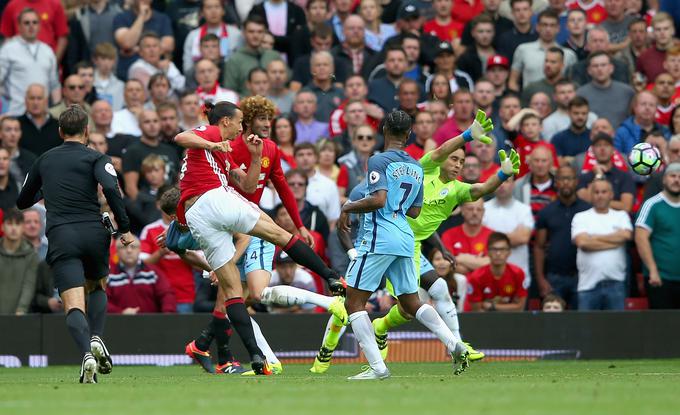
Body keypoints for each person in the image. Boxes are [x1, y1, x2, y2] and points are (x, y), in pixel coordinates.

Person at [173, 101, 347, 374]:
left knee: (232, 293)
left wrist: (255, 157)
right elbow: (180, 137)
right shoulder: (209, 133)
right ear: (226, 121)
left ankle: (254, 356)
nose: (242, 128)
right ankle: (330, 276)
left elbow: (249, 185)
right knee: (278, 234)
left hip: (198, 215)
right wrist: (214, 145)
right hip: (212, 200)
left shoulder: (226, 154)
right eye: (239, 122)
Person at [337, 110, 470, 380]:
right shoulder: (416, 166)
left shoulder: (378, 160)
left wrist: (347, 207)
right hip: (405, 237)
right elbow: (415, 211)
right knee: (411, 301)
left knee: (354, 303)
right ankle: (453, 343)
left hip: (380, 237)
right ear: (409, 134)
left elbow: (378, 200)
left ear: (384, 130)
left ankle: (378, 368)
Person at [16, 105, 134, 383]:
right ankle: (97, 337)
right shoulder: (97, 157)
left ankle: (86, 354)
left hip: (62, 235)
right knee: (97, 285)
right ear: (87, 131)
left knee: (73, 304)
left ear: (60, 132)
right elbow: (112, 191)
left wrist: (49, 188)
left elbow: (22, 201)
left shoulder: (44, 159)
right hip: (94, 233)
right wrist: (125, 228)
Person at [534, 165, 591, 308]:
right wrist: (541, 279)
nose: (566, 182)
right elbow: (539, 247)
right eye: (562, 179)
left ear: (576, 181)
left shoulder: (587, 210)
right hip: (554, 277)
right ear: (556, 182)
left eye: (570, 178)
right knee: (553, 324)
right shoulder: (546, 212)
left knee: (581, 323)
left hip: (582, 277)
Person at [572, 178, 632, 310]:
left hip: (616, 283)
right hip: (588, 286)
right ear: (590, 195)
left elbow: (626, 236)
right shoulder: (580, 217)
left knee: (617, 329)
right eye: (596, 192)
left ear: (611, 194)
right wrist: (615, 241)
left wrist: (594, 237)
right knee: (586, 330)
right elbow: (582, 243)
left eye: (604, 192)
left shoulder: (621, 216)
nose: (600, 195)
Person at [0, 8, 61, 116]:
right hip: (15, 114)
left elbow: (54, 85)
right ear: (18, 26)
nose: (31, 26)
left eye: (35, 22)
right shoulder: (7, 49)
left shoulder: (47, 50)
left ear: (39, 25)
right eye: (26, 23)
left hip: (43, 116)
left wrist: (57, 112)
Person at [635, 163, 680, 309]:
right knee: (663, 328)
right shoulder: (652, 204)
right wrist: (653, 270)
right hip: (660, 279)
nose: (677, 180)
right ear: (664, 179)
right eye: (673, 176)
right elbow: (641, 238)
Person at [482, 178, 534, 286]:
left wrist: (492, 238)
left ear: (513, 184)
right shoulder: (483, 208)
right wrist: (513, 235)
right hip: (488, 276)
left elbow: (523, 238)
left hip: (519, 275)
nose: (502, 185)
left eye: (506, 181)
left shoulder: (524, 210)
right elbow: (481, 239)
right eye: (499, 181)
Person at [106, 235, 176, 314]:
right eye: (124, 247)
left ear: (140, 250)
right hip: (118, 324)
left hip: (151, 324)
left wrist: (167, 314)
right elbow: (103, 302)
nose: (129, 250)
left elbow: (167, 294)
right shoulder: (109, 276)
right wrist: (120, 313)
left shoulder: (152, 272)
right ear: (117, 251)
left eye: (133, 247)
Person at [509, 9, 577, 91]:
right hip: (530, 101)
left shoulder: (569, 54)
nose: (548, 29)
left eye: (552, 25)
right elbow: (512, 81)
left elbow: (573, 83)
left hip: (559, 101)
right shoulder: (523, 50)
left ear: (558, 28)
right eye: (544, 25)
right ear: (537, 27)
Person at [466, 232, 528, 311]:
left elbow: (520, 307)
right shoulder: (476, 277)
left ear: (509, 252)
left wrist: (492, 307)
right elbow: (477, 310)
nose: (498, 253)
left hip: (512, 320)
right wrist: (509, 307)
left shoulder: (518, 273)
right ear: (487, 252)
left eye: (502, 249)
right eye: (494, 249)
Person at [222, 15, 282, 96]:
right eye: (251, 31)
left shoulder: (274, 56)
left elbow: (285, 84)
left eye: (260, 31)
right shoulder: (234, 60)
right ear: (243, 33)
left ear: (265, 33)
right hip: (245, 106)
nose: (255, 35)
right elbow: (229, 92)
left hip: (274, 104)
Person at [576, 133, 635, 213]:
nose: (602, 149)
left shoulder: (624, 176)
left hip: (616, 221)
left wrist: (598, 202)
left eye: (606, 145)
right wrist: (598, 175)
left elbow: (626, 206)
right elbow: (583, 200)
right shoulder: (584, 177)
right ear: (593, 150)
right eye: (598, 145)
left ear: (613, 149)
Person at [576, 51, 635, 129]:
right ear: (589, 70)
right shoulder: (580, 94)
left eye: (603, 65)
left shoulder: (627, 92)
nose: (599, 69)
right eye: (595, 66)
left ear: (611, 68)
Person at [182, 0, 243, 73]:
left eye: (217, 7)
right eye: (209, 7)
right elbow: (187, 69)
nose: (213, 11)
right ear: (202, 13)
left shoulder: (236, 34)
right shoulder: (193, 36)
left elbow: (241, 63)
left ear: (223, 10)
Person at [0, 209, 39, 315]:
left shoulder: (31, 255)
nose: (13, 228)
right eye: (9, 223)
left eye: (17, 224)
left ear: (22, 228)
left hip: (18, 317)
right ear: (2, 227)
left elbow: (28, 285)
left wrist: (21, 310)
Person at [293, 143, 341, 227]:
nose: (305, 158)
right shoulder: (285, 182)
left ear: (316, 158)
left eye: (309, 154)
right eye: (301, 155)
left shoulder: (329, 185)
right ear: (294, 159)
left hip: (320, 235)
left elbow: (333, 219)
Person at [552, 96, 593, 165]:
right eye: (576, 113)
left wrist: (570, 160)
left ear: (588, 114)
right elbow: (557, 164)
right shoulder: (558, 138)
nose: (580, 117)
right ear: (568, 113)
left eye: (584, 113)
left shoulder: (594, 138)